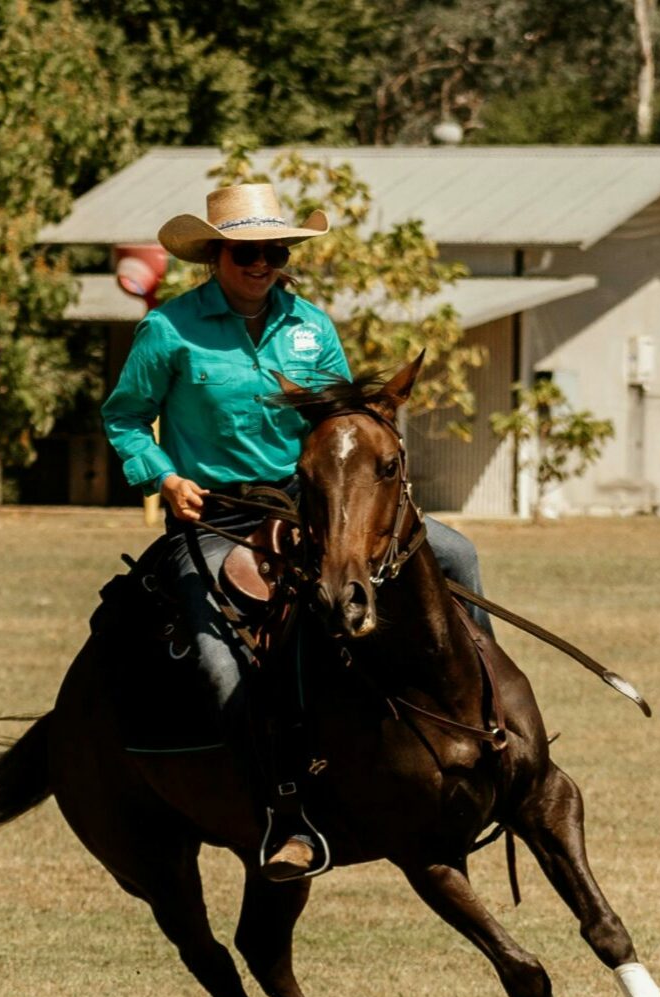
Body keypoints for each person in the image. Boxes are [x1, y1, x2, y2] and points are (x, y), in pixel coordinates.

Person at [101, 183, 490, 881]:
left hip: (311, 509)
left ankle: (487, 725)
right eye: (246, 251)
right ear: (216, 255)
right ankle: (282, 808)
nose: (261, 263)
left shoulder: (311, 324)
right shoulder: (168, 329)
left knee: (456, 554)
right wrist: (163, 477)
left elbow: (339, 421)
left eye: (274, 251)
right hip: (216, 516)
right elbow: (125, 417)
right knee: (218, 659)